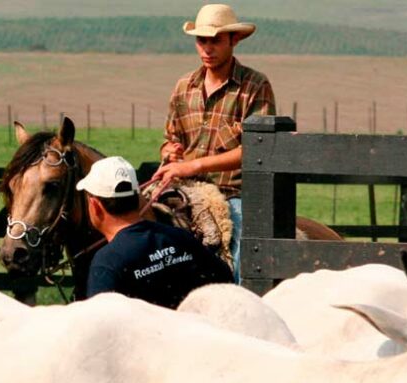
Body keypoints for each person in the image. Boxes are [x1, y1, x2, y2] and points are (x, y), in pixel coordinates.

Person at [148, 3, 276, 283]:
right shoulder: (184, 87)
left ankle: (244, 298)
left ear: (234, 39)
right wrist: (170, 152)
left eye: (215, 40)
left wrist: (192, 166)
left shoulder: (254, 86)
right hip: (184, 187)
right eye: (201, 40)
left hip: (233, 192)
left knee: (242, 248)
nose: (207, 48)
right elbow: (171, 139)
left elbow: (258, 150)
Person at [80, 156, 232, 309]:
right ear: (137, 198)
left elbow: (101, 324)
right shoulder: (180, 237)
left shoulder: (107, 263)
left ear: (95, 206)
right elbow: (225, 279)